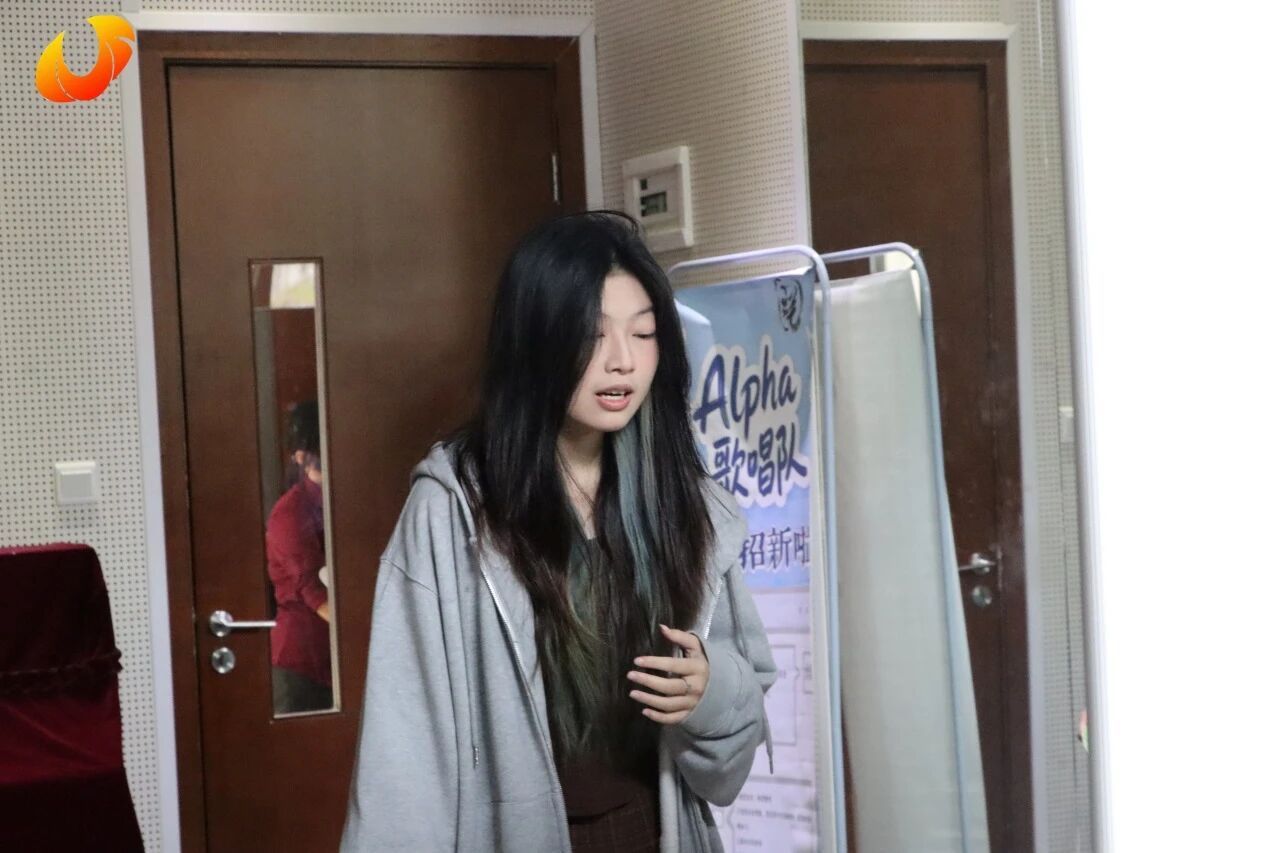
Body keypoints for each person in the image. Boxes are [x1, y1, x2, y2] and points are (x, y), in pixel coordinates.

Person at [340, 211, 776, 852]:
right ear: (536, 341)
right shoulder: (453, 511)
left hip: (655, 832)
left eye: (644, 333)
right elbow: (403, 756)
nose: (623, 361)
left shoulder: (688, 505)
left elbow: (731, 756)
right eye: (593, 336)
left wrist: (710, 691)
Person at [265, 400, 333, 714]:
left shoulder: (346, 498)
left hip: (331, 658)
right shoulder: (289, 513)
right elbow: (315, 594)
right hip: (302, 665)